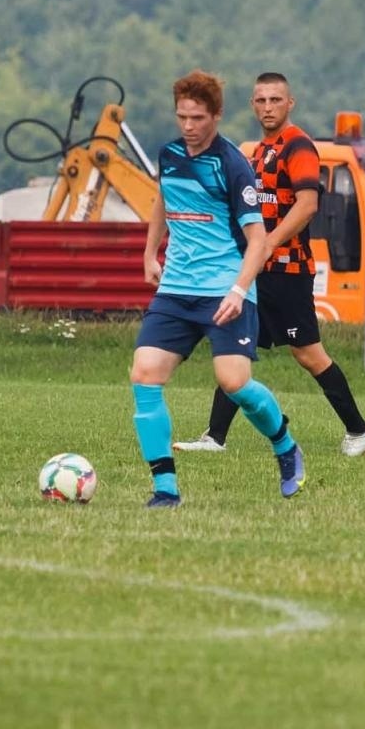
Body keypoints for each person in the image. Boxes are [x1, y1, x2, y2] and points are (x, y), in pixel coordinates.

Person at [174, 72, 365, 457]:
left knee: (309, 355)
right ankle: (215, 437)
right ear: (253, 105)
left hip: (288, 271)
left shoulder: (298, 146)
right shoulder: (259, 150)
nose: (268, 107)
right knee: (235, 341)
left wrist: (268, 243)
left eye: (275, 100)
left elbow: (307, 205)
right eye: (261, 100)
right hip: (259, 270)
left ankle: (360, 430)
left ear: (290, 103)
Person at [129, 70, 305, 508]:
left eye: (197, 118)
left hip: (225, 288)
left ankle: (285, 445)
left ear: (217, 115)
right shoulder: (169, 155)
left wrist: (238, 290)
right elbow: (163, 200)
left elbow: (258, 239)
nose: (188, 126)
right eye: (182, 117)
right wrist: (151, 252)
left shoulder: (232, 164)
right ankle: (165, 489)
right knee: (144, 374)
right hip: (176, 289)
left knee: (234, 383)